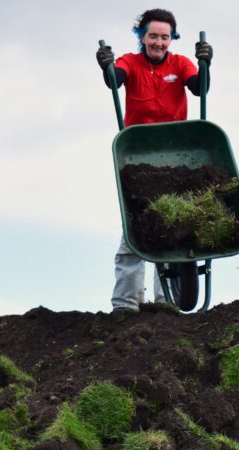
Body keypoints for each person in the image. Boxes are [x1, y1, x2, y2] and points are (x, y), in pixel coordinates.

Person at [96, 8, 212, 313]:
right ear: (142, 37)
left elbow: (200, 89)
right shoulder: (130, 62)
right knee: (135, 227)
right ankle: (125, 304)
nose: (159, 42)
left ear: (171, 38)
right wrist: (106, 67)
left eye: (165, 37)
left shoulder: (180, 63)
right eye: (153, 36)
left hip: (176, 155)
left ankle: (166, 302)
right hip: (138, 156)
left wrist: (206, 64)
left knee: (173, 223)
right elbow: (115, 81)